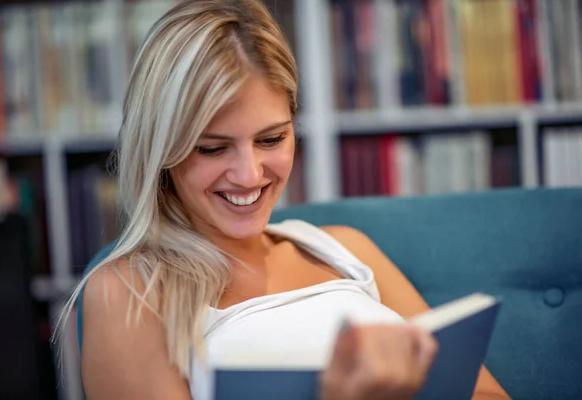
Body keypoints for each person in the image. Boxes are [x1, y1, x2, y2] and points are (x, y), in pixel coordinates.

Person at [56, 1, 511, 399]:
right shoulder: (129, 291)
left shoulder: (345, 248)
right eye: (213, 148)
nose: (250, 174)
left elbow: (487, 392)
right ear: (161, 152)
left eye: (272, 138)